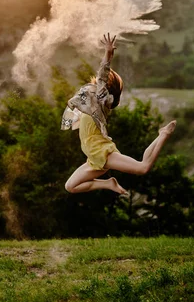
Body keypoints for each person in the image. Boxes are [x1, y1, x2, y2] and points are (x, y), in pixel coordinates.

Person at [61, 33, 176, 195]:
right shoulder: (91, 102)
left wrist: (108, 53)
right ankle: (109, 183)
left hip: (103, 153)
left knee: (142, 168)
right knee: (70, 187)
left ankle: (163, 135)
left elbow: (102, 73)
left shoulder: (101, 102)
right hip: (94, 159)